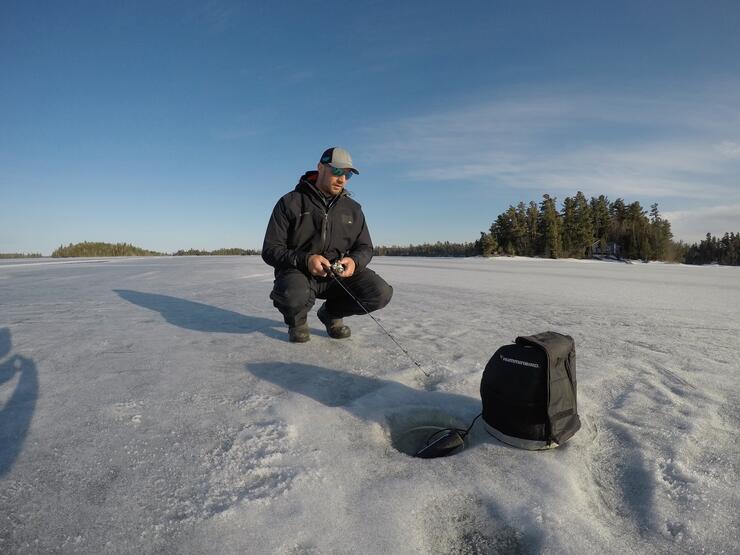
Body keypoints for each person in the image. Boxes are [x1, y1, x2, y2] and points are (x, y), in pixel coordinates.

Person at [262, 147, 393, 342]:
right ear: (320, 168)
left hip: (336, 274)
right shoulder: (290, 202)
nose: (342, 179)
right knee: (293, 294)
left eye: (347, 174)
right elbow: (271, 249)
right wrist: (306, 260)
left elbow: (365, 247)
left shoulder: (353, 209)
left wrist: (354, 262)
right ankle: (297, 322)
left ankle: (330, 314)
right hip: (299, 272)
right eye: (337, 171)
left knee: (380, 293)